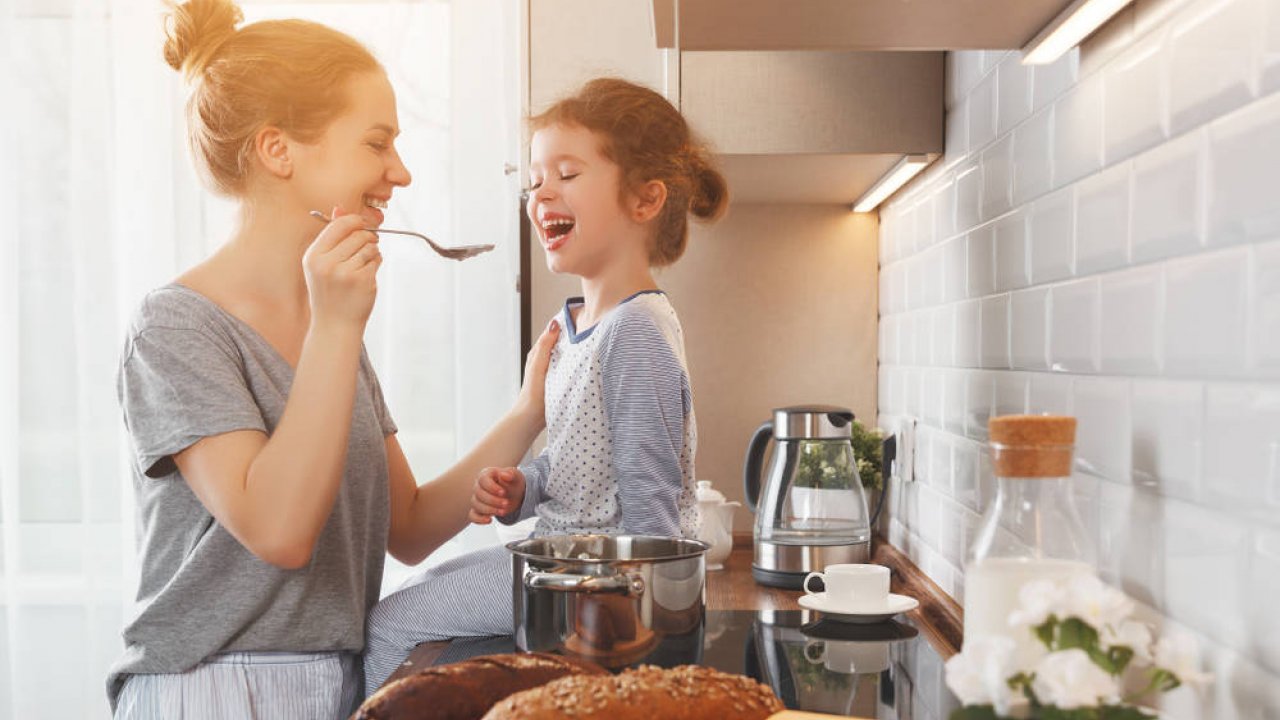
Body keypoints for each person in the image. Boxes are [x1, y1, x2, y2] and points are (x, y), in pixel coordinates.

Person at [109, 1, 558, 717]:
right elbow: (280, 533)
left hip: (338, 682)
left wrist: (528, 410)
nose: (401, 173)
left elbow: (407, 526)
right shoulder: (177, 329)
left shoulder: (330, 326)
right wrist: (337, 327)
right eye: (377, 144)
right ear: (278, 150)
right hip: (213, 688)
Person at [362, 77, 729, 693]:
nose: (541, 194)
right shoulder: (577, 326)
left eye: (566, 173)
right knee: (407, 605)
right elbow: (579, 464)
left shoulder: (636, 329)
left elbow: (653, 497)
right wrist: (522, 487)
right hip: (558, 562)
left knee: (393, 623)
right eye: (535, 180)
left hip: (593, 585)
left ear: (644, 201)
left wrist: (638, 634)